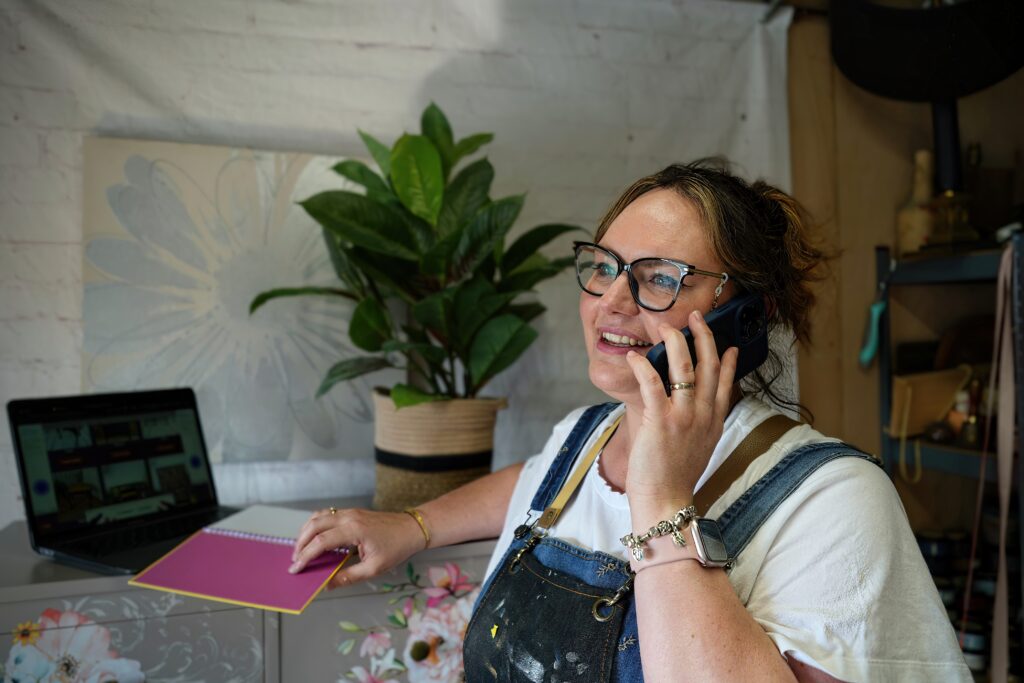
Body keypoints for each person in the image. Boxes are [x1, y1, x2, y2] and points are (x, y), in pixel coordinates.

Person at [290, 160, 970, 682]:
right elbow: (526, 484)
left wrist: (665, 500)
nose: (610, 302)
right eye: (604, 267)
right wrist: (412, 525)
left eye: (658, 277)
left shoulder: (834, 498)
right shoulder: (586, 437)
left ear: (745, 312)